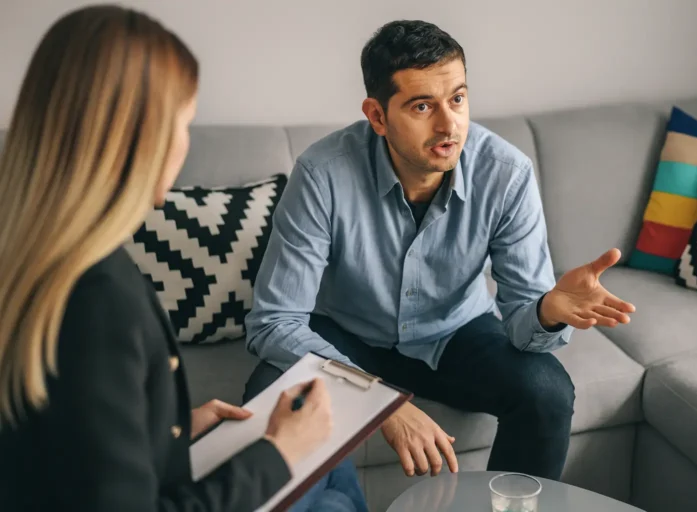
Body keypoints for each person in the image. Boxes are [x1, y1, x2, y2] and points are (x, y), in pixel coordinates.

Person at [0, 5, 365, 511]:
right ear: (137, 138)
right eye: (184, 123)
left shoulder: (41, 266)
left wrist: (169, 432)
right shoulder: (96, 298)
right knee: (329, 489)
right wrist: (277, 453)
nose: (185, 143)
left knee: (332, 475)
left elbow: (70, 454)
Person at [244, 19, 636, 482]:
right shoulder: (322, 174)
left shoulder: (507, 174)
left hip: (455, 332)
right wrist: (378, 399)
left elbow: (523, 327)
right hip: (346, 333)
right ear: (377, 116)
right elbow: (274, 322)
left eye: (458, 99)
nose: (449, 124)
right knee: (268, 393)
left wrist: (548, 310)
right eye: (422, 106)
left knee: (547, 391)